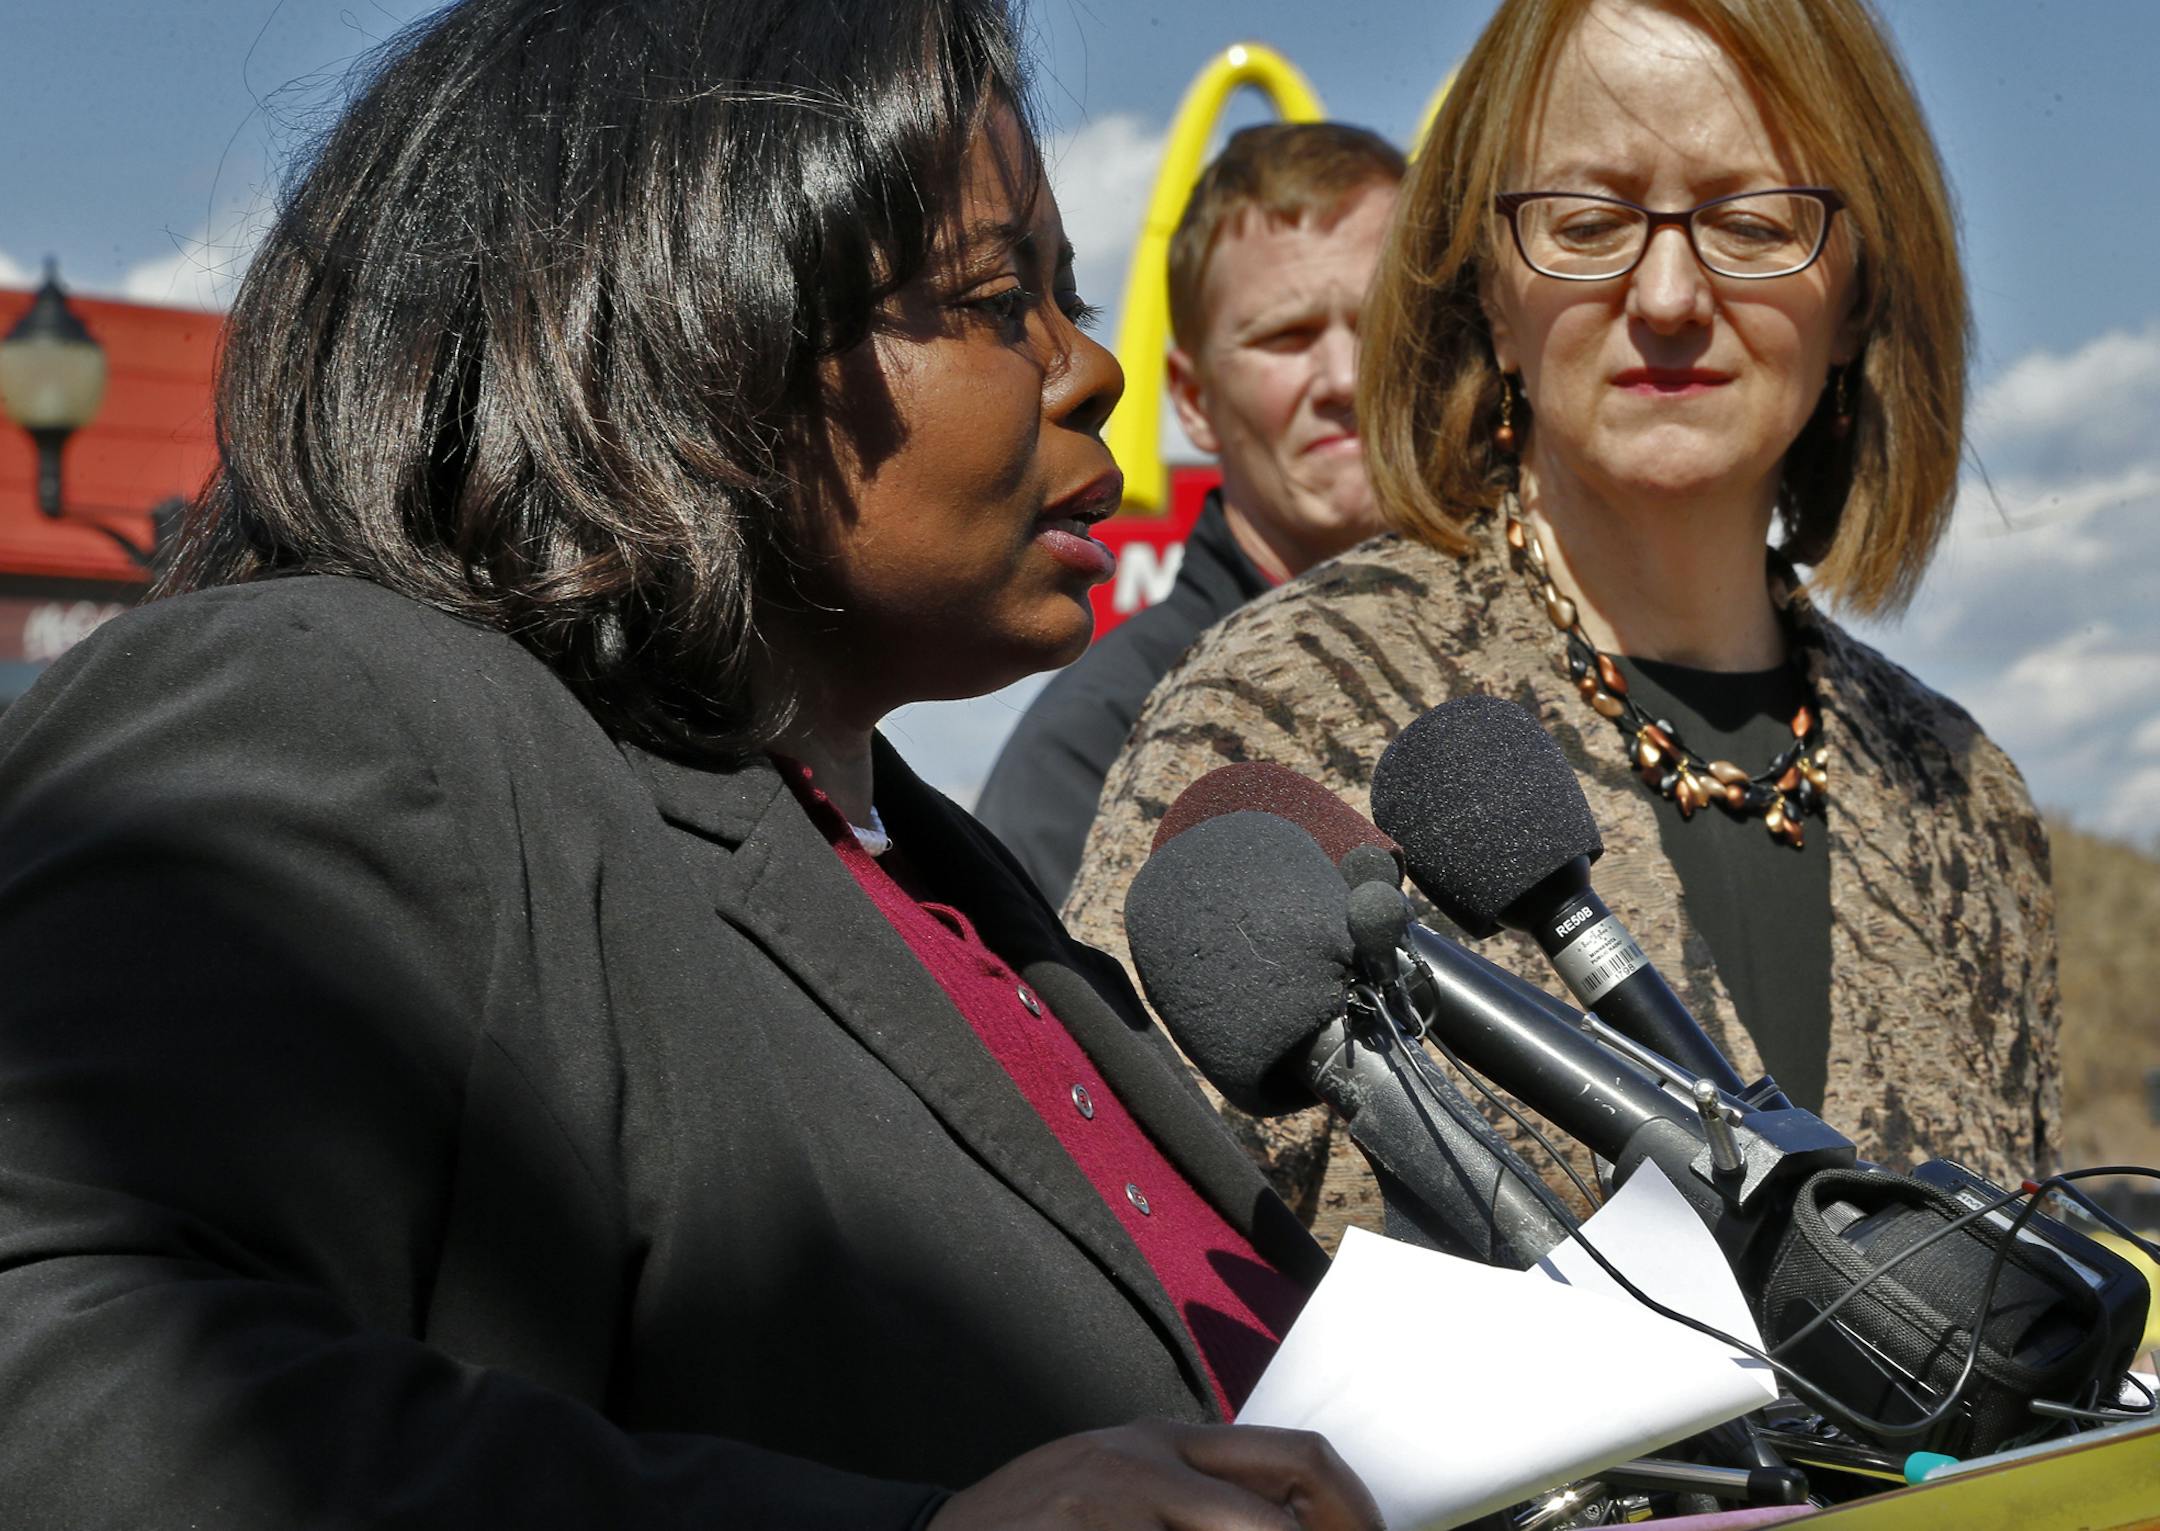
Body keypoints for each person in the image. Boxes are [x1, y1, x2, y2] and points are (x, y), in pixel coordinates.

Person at [0, 3, 1386, 1526]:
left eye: (1067, 292)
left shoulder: (941, 881)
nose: (1091, 367)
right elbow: (67, 1383)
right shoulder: (330, 701)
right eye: (996, 299)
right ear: (688, 324)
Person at [1065, 0, 2057, 1249]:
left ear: (1859, 290)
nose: (1670, 294)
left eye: (1753, 222)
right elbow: (1134, 1298)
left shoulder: (1962, 802)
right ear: (1486, 285)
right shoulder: (1282, 708)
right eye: (1589, 224)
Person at [977, 123, 1403, 906]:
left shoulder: (1573, 650)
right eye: (1288, 336)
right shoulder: (1099, 746)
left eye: (1382, 326)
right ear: (1195, 399)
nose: (1345, 377)